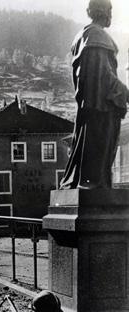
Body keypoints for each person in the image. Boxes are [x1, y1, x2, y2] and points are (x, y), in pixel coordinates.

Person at [60, 0, 129, 190]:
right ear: (103, 12)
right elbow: (103, 76)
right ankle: (94, 187)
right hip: (102, 106)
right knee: (100, 150)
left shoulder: (84, 36)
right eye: (110, 10)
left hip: (90, 106)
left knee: (87, 150)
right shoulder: (97, 36)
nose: (111, 15)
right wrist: (125, 92)